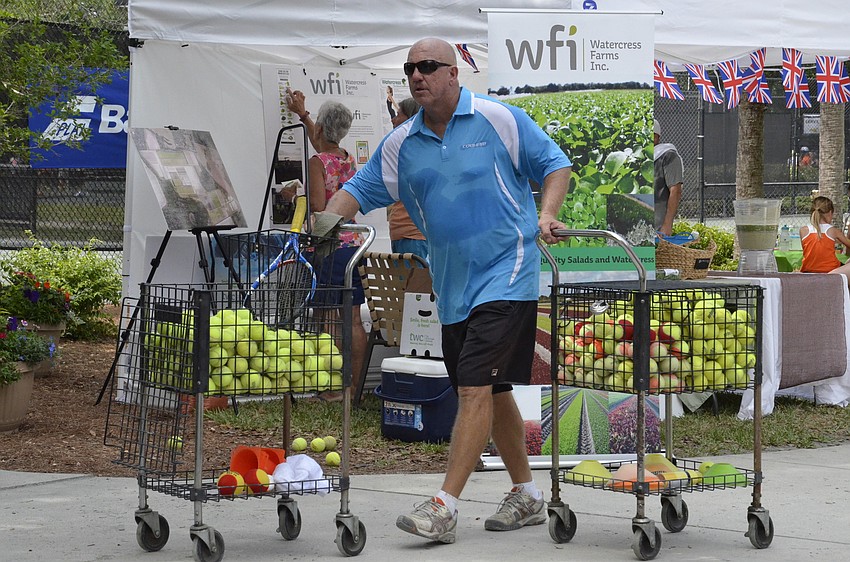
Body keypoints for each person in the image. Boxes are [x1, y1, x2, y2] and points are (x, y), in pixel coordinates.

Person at [321, 37, 572, 544]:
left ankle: (444, 505)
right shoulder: (400, 144)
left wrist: (546, 214)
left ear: (454, 73)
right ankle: (525, 492)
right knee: (493, 388)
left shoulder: (498, 120)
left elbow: (556, 164)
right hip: (453, 285)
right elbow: (360, 189)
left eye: (428, 66)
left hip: (510, 270)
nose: (418, 75)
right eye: (411, 68)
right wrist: (327, 218)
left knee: (475, 386)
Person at [284, 89, 367, 399]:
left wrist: (296, 196)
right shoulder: (347, 159)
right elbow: (324, 145)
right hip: (354, 244)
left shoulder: (316, 163)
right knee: (353, 318)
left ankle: (333, 388)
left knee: (328, 317)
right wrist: (304, 115)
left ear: (320, 127)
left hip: (329, 245)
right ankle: (353, 387)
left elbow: (319, 207)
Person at [387, 97, 428, 260]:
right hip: (404, 233)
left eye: (398, 114)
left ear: (411, 118)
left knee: (413, 285)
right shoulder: (404, 148)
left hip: (413, 235)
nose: (393, 119)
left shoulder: (418, 151)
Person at [800, 196, 850, 276]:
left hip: (808, 270)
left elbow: (809, 250)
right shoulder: (833, 231)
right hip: (831, 270)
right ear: (830, 213)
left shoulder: (803, 230)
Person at [653, 120, 683, 237]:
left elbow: (676, 191)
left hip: (658, 226)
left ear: (656, 137)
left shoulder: (668, 155)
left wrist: (667, 224)